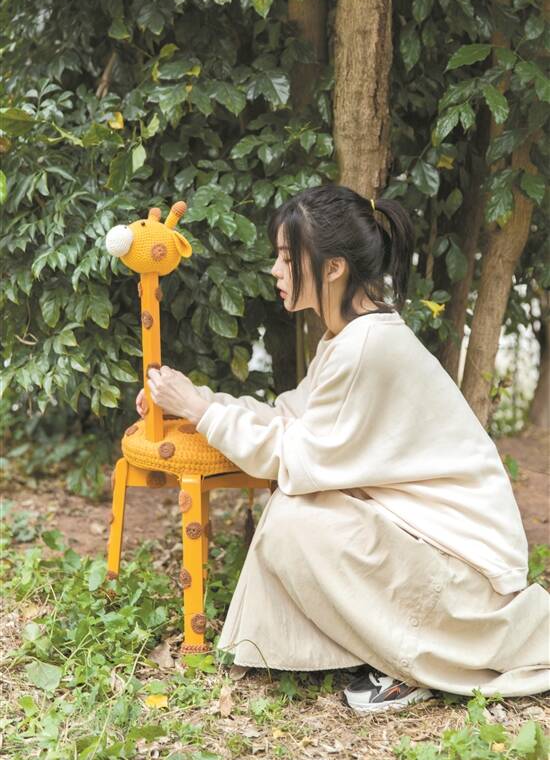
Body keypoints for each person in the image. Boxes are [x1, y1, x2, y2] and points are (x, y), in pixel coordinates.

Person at [144, 184, 550, 714]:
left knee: (296, 520)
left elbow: (298, 458)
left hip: (466, 582)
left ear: (333, 267)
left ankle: (414, 662)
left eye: (287, 258)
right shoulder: (352, 337)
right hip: (440, 555)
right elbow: (292, 418)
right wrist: (195, 403)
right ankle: (381, 648)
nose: (275, 270)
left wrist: (202, 411)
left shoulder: (367, 347)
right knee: (297, 513)